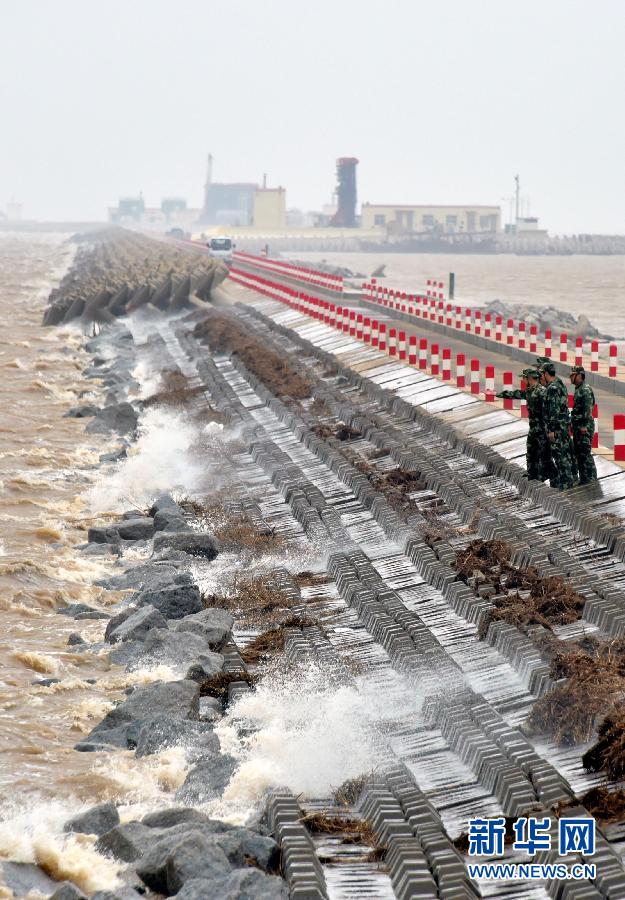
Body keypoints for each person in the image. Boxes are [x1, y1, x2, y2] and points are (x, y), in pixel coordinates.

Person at [496, 367, 551, 481]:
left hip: (542, 428)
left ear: (529, 378)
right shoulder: (530, 390)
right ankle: (532, 473)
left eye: (524, 379)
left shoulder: (542, 392)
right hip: (533, 428)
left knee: (543, 453)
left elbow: (549, 411)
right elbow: (516, 394)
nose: (523, 381)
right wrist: (499, 394)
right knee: (531, 451)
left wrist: (550, 428)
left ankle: (544, 475)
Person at [540, 362, 577, 490]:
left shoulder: (552, 388)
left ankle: (566, 484)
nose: (540, 378)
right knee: (565, 455)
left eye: (541, 375)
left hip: (557, 429)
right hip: (563, 427)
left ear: (545, 374)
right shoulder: (560, 384)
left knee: (560, 458)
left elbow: (553, 411)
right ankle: (569, 481)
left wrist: (551, 430)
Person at [569, 365, 598, 485]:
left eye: (573, 375)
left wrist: (584, 426)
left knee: (585, 454)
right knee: (579, 454)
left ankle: (591, 480)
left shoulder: (585, 389)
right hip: (578, 426)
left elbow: (587, 411)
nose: (571, 377)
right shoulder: (579, 388)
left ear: (580, 375)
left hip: (583, 427)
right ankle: (584, 479)